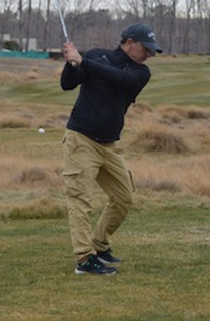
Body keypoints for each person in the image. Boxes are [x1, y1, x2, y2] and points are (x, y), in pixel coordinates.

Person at [60, 23, 163, 275]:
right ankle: (84, 258)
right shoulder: (96, 56)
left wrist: (84, 62)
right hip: (81, 139)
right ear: (129, 42)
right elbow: (67, 84)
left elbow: (118, 77)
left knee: (124, 198)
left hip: (109, 145)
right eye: (146, 48)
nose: (149, 54)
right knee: (80, 200)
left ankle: (99, 244)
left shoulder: (140, 72)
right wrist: (71, 62)